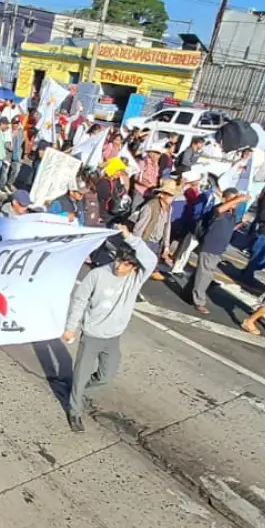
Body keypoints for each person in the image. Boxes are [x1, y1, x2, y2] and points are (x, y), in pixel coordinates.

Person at [61, 231, 158, 432]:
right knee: (81, 374)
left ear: (134, 267)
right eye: (119, 261)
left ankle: (78, 392)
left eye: (126, 264)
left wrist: (130, 237)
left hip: (113, 336)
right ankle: (75, 410)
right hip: (92, 335)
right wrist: (71, 328)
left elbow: (151, 259)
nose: (119, 267)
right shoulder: (97, 275)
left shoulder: (136, 279)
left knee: (106, 375)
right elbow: (80, 301)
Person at [190, 188, 247, 313]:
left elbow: (228, 228)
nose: (235, 202)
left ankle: (187, 293)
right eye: (232, 199)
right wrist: (239, 198)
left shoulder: (232, 213)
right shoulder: (218, 209)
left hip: (219, 248)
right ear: (225, 199)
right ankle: (198, 301)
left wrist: (240, 224)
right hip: (210, 246)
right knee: (204, 275)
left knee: (204, 272)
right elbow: (219, 211)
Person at [133, 178, 178, 276]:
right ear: (161, 194)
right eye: (170, 195)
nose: (172, 198)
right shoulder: (150, 206)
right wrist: (135, 244)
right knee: (138, 268)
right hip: (145, 241)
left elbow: (167, 227)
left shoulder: (169, 208)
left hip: (157, 243)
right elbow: (139, 228)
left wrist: (166, 246)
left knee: (147, 269)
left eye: (172, 195)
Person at [0, 117, 24, 191]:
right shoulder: (7, 131)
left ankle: (9, 183)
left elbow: (21, 143)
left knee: (16, 170)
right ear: (12, 124)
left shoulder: (21, 132)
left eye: (17, 123)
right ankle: (2, 185)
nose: (16, 125)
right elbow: (4, 142)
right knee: (5, 171)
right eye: (14, 123)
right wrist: (10, 147)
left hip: (16, 154)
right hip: (7, 154)